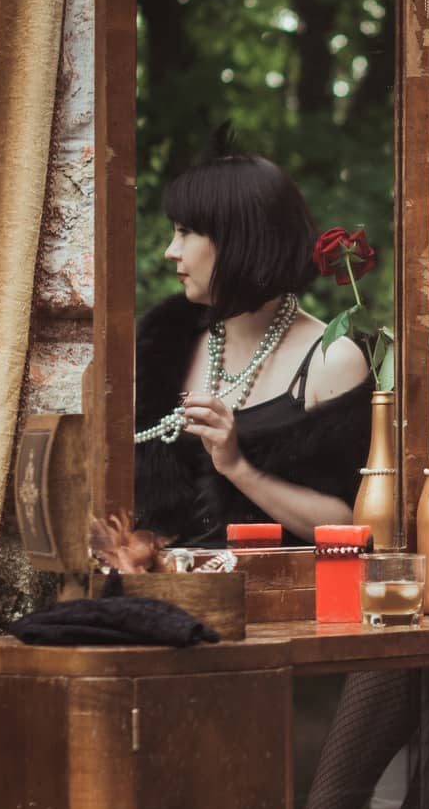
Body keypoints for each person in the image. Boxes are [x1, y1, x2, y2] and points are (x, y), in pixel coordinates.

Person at [133, 146, 371, 546]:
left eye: (186, 231)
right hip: (167, 586)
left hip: (276, 596)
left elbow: (353, 529)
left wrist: (236, 466)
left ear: (239, 240)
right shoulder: (166, 344)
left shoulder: (332, 360)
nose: (170, 251)